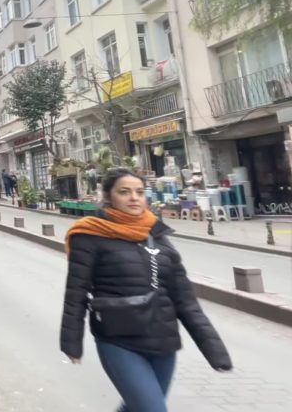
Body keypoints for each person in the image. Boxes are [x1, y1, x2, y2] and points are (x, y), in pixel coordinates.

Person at [60, 168, 231, 412]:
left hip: (164, 342)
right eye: (124, 192)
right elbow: (75, 294)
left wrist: (214, 350)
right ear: (109, 197)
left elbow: (186, 301)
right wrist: (71, 342)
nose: (134, 198)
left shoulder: (159, 238)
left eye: (139, 192)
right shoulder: (89, 235)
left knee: (136, 408)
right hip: (118, 341)